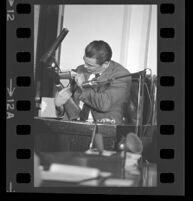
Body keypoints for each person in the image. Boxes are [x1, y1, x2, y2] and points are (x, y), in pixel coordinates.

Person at [54, 40, 131, 124]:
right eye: (84, 61)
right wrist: (59, 105)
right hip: (75, 124)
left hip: (103, 127)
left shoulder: (121, 75)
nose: (85, 66)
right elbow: (71, 106)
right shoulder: (81, 69)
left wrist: (83, 86)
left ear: (105, 64)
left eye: (90, 65)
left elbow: (104, 104)